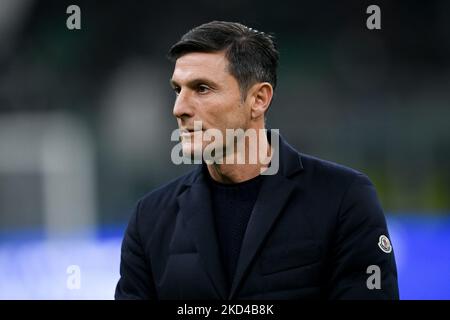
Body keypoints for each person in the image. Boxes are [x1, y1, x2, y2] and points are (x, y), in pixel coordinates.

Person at [115, 21, 399, 300]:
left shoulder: (343, 198)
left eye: (201, 88)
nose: (179, 108)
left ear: (259, 99)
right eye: (178, 90)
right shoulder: (150, 219)